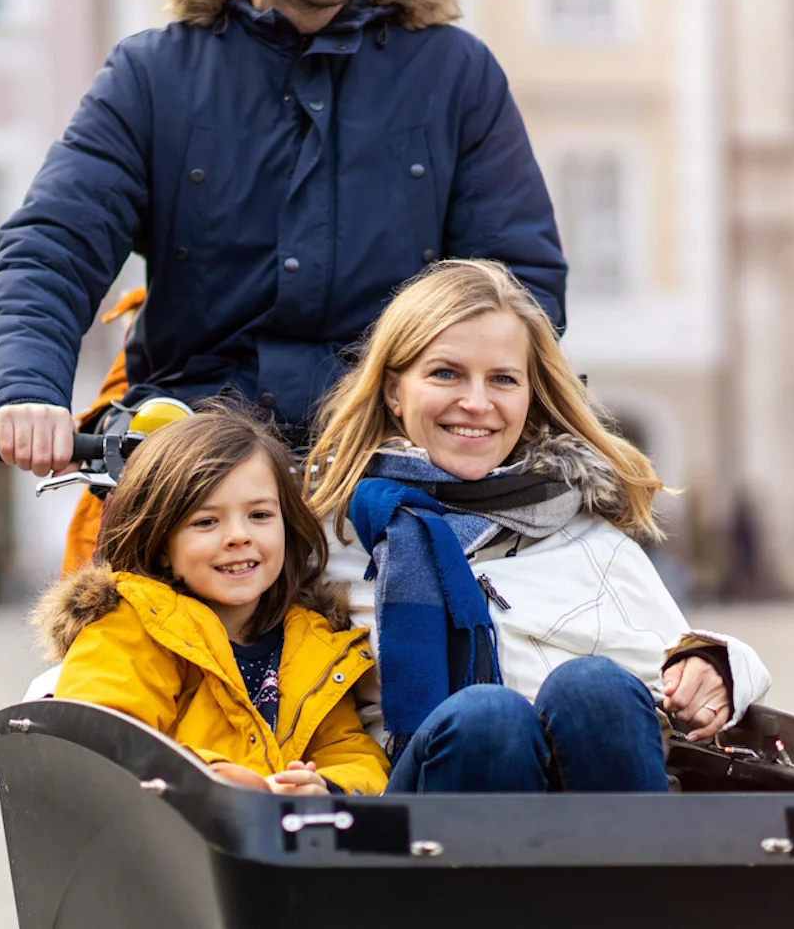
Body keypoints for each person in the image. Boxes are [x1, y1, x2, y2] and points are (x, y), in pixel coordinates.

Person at [0, 0, 567, 570]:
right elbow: (53, 246)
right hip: (198, 468)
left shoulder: (453, 76)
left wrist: (462, 401)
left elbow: (519, 282)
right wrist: (26, 388)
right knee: (104, 680)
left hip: (393, 477)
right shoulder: (155, 78)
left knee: (472, 679)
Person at [306, 260, 768, 793]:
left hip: (588, 818)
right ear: (393, 391)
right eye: (446, 373)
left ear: (530, 395)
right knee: (486, 716)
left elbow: (682, 663)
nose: (476, 403)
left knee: (593, 685)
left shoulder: (589, 540)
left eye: (502, 379)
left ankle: (637, 871)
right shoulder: (326, 540)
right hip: (415, 826)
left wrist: (718, 668)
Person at [34, 408, 387, 797]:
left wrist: (327, 787)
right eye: (206, 522)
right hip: (169, 840)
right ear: (162, 542)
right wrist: (212, 777)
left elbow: (354, 753)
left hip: (281, 847)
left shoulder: (313, 644)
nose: (238, 536)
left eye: (259, 515)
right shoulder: (131, 626)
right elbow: (104, 738)